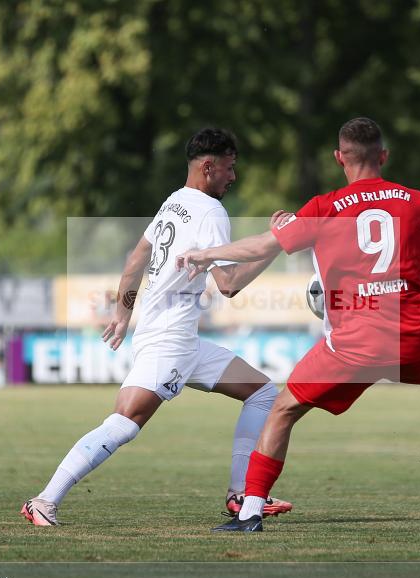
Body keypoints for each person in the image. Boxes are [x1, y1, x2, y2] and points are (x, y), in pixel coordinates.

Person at [178, 117, 420, 532]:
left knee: (283, 410)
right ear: (383, 156)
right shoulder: (417, 202)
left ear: (339, 158)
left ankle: (250, 513)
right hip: (415, 336)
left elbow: (262, 246)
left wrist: (207, 253)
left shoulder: (325, 208)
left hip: (353, 345)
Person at [21, 128, 292, 526]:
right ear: (208, 167)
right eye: (230, 168)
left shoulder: (174, 201)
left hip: (180, 338)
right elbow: (229, 284)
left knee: (263, 392)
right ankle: (44, 500)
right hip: (170, 342)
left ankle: (241, 494)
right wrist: (278, 243)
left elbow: (136, 259)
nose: (233, 177)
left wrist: (123, 313)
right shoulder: (210, 211)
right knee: (125, 422)